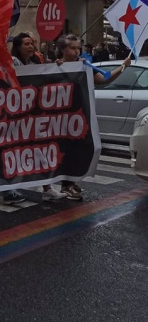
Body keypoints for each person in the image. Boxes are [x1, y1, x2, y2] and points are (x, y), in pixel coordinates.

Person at [55, 34, 131, 201]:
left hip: (79, 117)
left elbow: (103, 79)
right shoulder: (54, 67)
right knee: (64, 151)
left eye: (78, 48)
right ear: (62, 50)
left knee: (77, 150)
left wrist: (123, 67)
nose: (76, 51)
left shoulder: (83, 66)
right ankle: (64, 184)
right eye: (72, 48)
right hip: (59, 119)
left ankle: (71, 181)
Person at [10, 33, 64, 202]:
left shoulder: (35, 62)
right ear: (18, 47)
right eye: (27, 43)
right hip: (17, 116)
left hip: (33, 115)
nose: (31, 46)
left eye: (32, 43)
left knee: (41, 150)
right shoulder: (14, 62)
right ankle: (9, 190)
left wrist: (57, 66)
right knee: (13, 154)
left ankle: (47, 187)